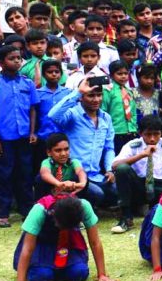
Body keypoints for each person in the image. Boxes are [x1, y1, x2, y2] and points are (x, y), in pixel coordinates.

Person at [12, 194, 117, 281]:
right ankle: (47, 270)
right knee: (41, 277)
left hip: (69, 243)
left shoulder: (84, 206)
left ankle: (61, 269)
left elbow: (95, 242)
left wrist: (102, 274)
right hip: (43, 245)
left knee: (79, 274)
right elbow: (27, 248)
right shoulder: (39, 210)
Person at [0, 45, 39, 228]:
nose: (16, 61)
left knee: (25, 174)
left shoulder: (27, 83)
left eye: (18, 58)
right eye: (11, 58)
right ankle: (3, 212)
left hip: (24, 136)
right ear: (0, 62)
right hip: (4, 137)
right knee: (4, 174)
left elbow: (33, 108)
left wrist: (32, 131)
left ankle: (27, 211)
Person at [48, 79, 117, 207]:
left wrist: (109, 170)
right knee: (98, 195)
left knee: (116, 192)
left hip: (95, 175)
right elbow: (53, 116)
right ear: (81, 97)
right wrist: (78, 92)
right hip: (73, 174)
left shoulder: (106, 118)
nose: (96, 99)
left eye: (99, 95)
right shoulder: (72, 114)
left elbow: (109, 148)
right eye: (91, 95)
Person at [111, 115, 162, 234]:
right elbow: (115, 165)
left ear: (161, 133)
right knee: (122, 169)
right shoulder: (132, 145)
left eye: (156, 134)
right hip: (138, 185)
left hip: (159, 185)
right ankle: (126, 217)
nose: (152, 139)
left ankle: (156, 211)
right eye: (148, 134)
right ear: (140, 133)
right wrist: (142, 155)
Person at [33, 59, 71, 176]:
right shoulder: (38, 93)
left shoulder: (68, 93)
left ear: (61, 74)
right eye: (50, 72)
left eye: (57, 71)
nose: (54, 74)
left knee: (63, 168)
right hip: (44, 136)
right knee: (44, 167)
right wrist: (34, 133)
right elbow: (34, 114)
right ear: (44, 74)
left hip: (63, 136)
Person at [101, 60, 138, 154]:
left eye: (126, 73)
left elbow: (133, 112)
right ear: (112, 75)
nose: (123, 76)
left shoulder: (129, 91)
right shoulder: (108, 90)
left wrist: (134, 128)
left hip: (131, 131)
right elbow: (103, 111)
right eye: (119, 73)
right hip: (115, 132)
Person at [36, 133, 87, 198]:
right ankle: (41, 203)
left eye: (66, 149)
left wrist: (83, 183)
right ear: (49, 152)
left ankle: (78, 202)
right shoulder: (47, 162)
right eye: (58, 150)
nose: (63, 154)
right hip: (51, 192)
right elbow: (45, 173)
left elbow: (80, 171)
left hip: (70, 193)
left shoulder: (73, 161)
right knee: (40, 178)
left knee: (87, 182)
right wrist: (59, 184)